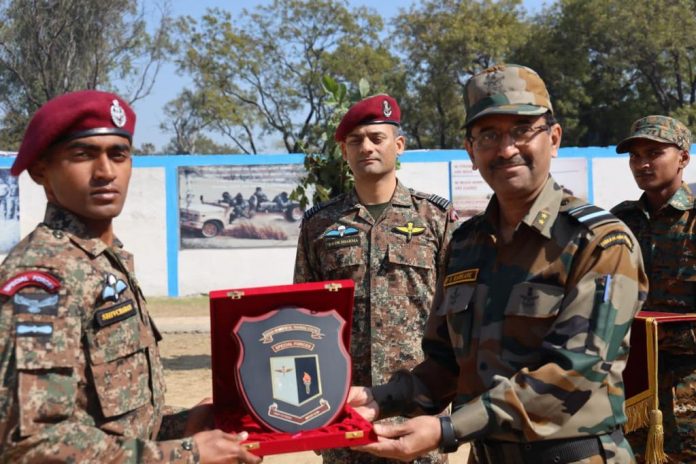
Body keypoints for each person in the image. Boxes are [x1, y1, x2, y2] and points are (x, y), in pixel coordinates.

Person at [349, 64, 648, 463]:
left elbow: (574, 372)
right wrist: (377, 399)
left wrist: (448, 429)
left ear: (554, 139)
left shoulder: (600, 241)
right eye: (489, 135)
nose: (506, 149)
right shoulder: (465, 244)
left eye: (522, 130)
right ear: (471, 151)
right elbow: (446, 365)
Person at [0, 90, 261, 464]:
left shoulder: (106, 259)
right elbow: (33, 444)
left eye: (118, 155)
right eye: (83, 154)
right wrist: (185, 455)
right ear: (41, 170)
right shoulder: (43, 276)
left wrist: (184, 425)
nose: (106, 171)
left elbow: (117, 424)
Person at [294, 94, 457, 464]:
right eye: (355, 141)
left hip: (418, 412)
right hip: (344, 409)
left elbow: (457, 316)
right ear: (345, 151)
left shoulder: (435, 218)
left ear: (398, 145)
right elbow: (305, 318)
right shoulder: (319, 224)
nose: (366, 147)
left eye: (376, 138)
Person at [611, 115, 696, 462]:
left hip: (689, 382)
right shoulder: (619, 221)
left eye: (654, 152)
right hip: (633, 382)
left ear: (683, 158)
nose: (642, 163)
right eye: (634, 156)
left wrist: (659, 334)